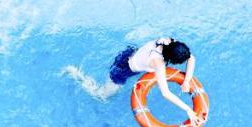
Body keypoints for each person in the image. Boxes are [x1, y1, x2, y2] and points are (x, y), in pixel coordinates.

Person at [63, 37, 196, 112]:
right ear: (171, 59)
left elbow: (191, 58)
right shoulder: (158, 62)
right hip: (123, 70)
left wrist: (186, 81)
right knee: (101, 95)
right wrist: (188, 110)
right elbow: (166, 93)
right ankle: (76, 74)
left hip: (130, 53)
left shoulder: (169, 41)